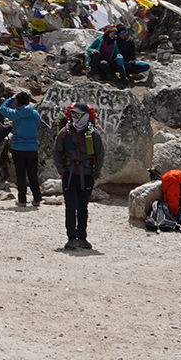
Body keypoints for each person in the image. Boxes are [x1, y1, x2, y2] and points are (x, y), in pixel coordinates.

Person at [54, 101, 104, 250]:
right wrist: (61, 171)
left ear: (86, 116)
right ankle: (71, 238)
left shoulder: (94, 135)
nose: (75, 117)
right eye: (73, 114)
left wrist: (95, 174)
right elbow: (56, 151)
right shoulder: (64, 132)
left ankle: (82, 237)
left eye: (78, 115)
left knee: (83, 207)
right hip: (69, 175)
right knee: (70, 206)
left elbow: (100, 155)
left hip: (87, 175)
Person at [0, 90, 42, 207]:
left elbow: (2, 108)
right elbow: (38, 123)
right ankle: (37, 198)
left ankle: (22, 200)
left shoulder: (15, 114)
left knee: (20, 174)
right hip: (32, 147)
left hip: (18, 147)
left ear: (17, 102)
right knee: (33, 174)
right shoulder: (34, 113)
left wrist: (11, 98)